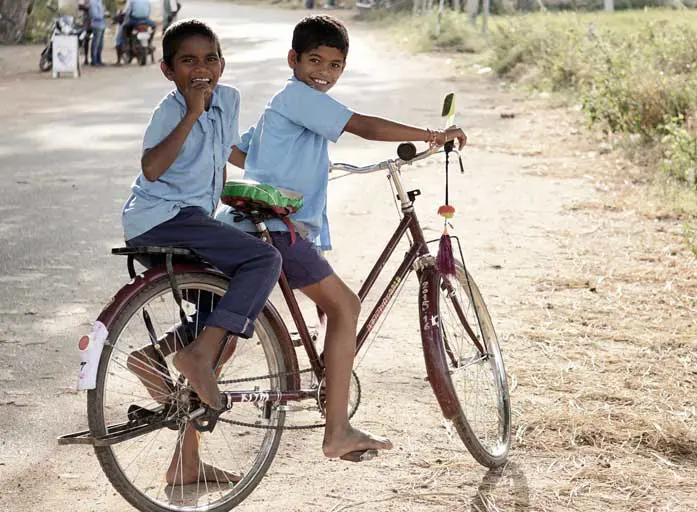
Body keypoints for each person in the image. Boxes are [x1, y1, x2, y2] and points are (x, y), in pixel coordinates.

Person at [216, 14, 466, 462]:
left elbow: (241, 152)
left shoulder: (281, 107)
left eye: (335, 66)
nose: (324, 73)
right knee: (346, 306)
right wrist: (434, 135)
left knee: (309, 315)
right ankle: (337, 431)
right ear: (293, 59)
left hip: (261, 227)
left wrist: (293, 164)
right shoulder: (299, 97)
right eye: (315, 60)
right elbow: (364, 126)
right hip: (279, 229)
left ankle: (167, 358)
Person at [122, 19, 282, 484]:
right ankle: (193, 360)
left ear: (222, 64)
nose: (201, 68)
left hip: (193, 221)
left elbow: (227, 151)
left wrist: (277, 176)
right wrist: (191, 112)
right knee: (263, 260)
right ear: (167, 70)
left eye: (209, 59)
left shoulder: (228, 100)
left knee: (224, 304)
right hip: (162, 217)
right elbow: (152, 169)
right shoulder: (170, 110)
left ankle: (156, 358)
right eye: (188, 61)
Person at [88, 0, 106, 66]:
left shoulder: (100, 1)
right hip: (96, 25)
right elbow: (94, 15)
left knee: (100, 44)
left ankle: (99, 60)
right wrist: (103, 14)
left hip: (102, 24)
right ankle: (94, 60)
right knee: (96, 43)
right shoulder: (92, 2)